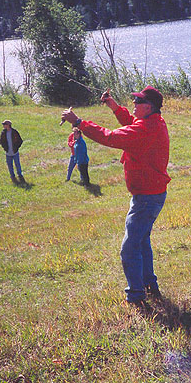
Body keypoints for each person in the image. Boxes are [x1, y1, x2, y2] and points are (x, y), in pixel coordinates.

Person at [61, 86, 170, 304]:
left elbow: (110, 137)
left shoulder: (146, 129)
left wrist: (79, 122)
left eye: (138, 102)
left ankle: (136, 297)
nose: (134, 105)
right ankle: (149, 285)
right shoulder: (153, 122)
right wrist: (114, 107)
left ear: (148, 107)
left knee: (129, 248)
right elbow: (132, 122)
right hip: (150, 193)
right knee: (141, 242)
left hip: (146, 198)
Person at [0, 119, 24, 184]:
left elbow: (20, 141)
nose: (3, 126)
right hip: (8, 153)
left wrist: (16, 148)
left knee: (17, 164)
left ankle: (20, 175)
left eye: (4, 124)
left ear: (8, 125)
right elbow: (1, 142)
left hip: (15, 152)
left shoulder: (14, 132)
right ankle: (12, 176)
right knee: (9, 165)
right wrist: (5, 148)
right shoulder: (3, 133)